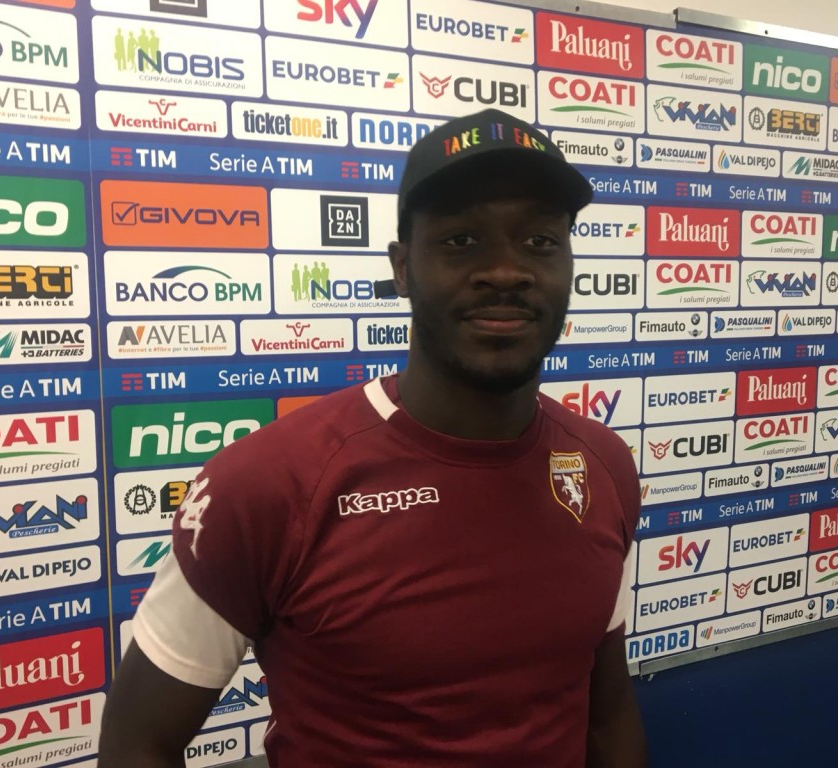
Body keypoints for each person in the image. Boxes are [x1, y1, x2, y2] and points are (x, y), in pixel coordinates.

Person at [98, 108, 645, 768]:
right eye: (461, 241)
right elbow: (137, 745)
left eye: (539, 241)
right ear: (403, 267)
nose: (506, 271)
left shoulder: (602, 466)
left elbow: (607, 715)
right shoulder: (267, 485)